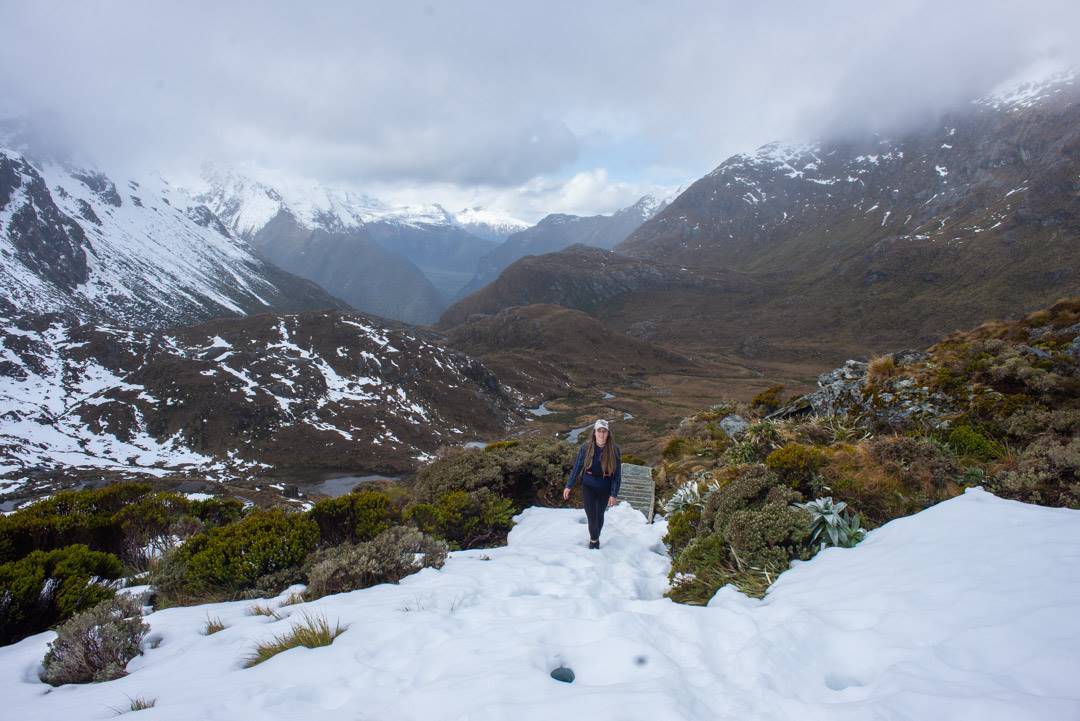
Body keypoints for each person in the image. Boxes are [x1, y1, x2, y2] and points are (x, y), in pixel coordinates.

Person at [563, 419, 621, 549]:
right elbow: (577, 467)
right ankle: (594, 541)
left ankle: (595, 537)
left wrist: (613, 494)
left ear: (608, 433)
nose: (601, 434)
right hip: (588, 485)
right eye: (599, 431)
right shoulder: (586, 447)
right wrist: (569, 485)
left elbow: (617, 475)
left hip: (605, 487)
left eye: (604, 431)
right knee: (591, 516)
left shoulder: (614, 449)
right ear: (594, 432)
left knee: (599, 515)